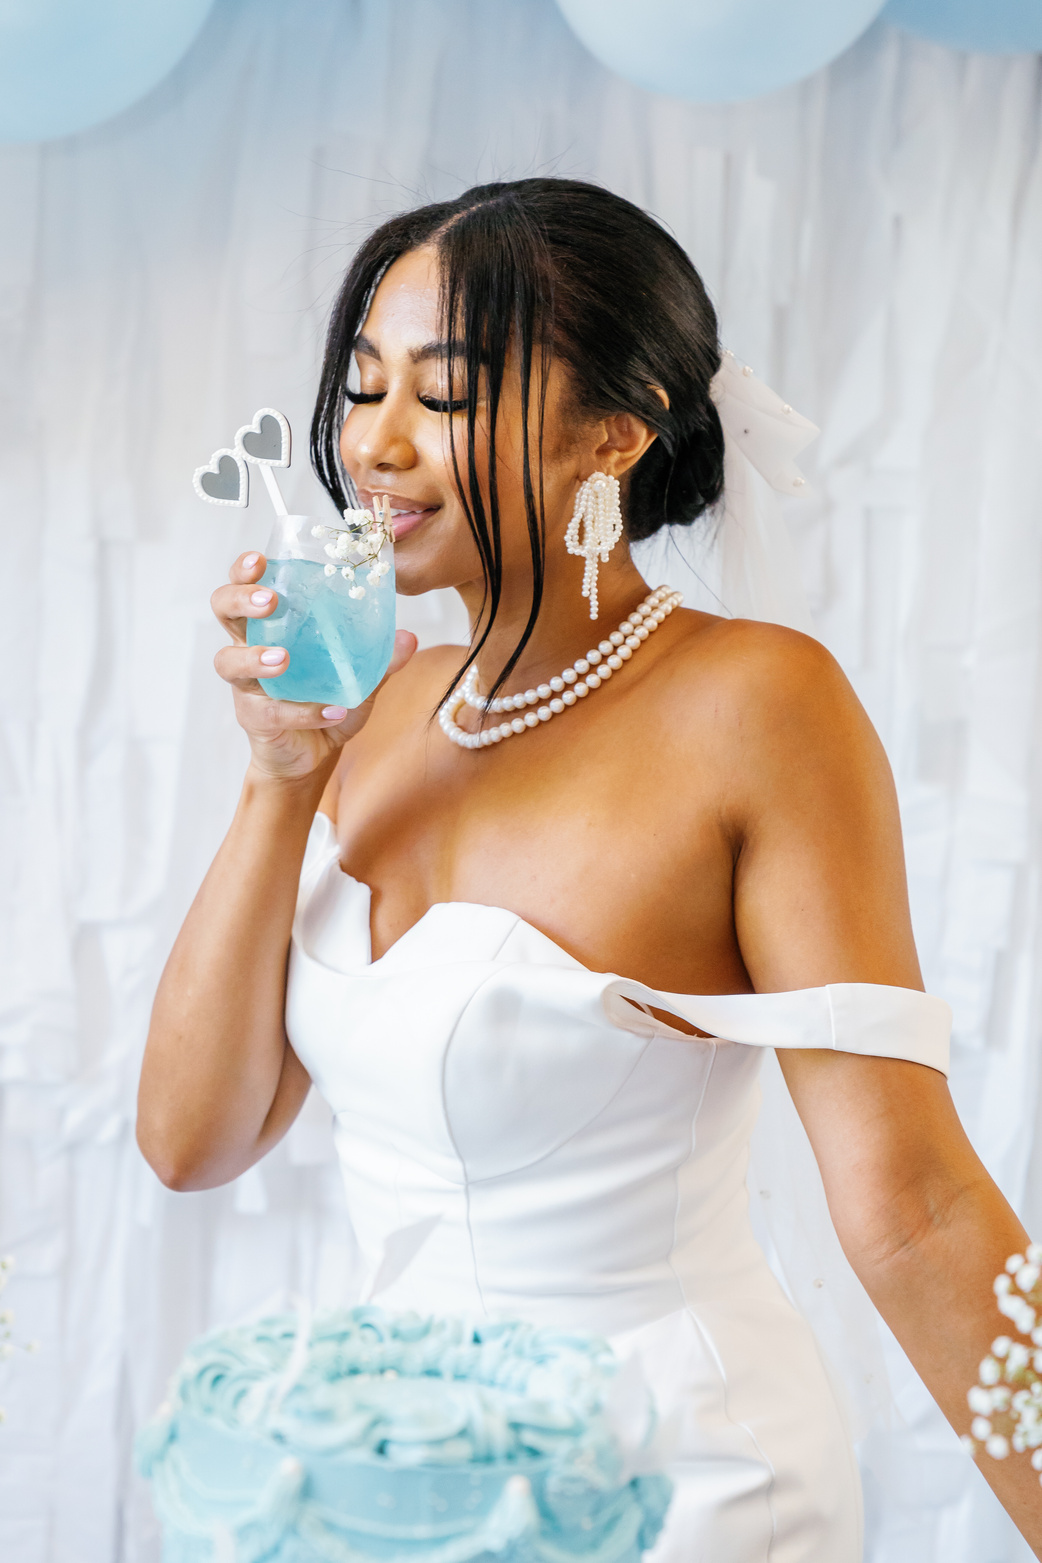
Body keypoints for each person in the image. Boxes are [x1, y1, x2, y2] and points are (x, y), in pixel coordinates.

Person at [137, 179, 1042, 1561]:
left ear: (608, 436)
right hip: (393, 1486)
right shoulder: (380, 707)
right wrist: (279, 775)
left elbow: (915, 1210)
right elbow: (191, 1142)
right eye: (359, 387)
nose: (371, 446)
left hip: (674, 1483)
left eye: (441, 396)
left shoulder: (755, 704)